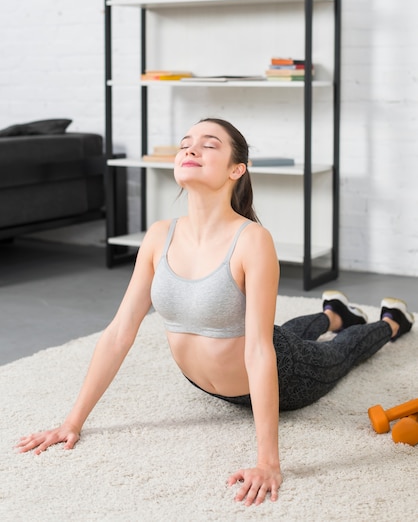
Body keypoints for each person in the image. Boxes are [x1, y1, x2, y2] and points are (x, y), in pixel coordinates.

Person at [17, 118, 415, 507]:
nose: (191, 148)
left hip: (286, 374)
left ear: (236, 169)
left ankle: (391, 321)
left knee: (335, 353)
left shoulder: (252, 240)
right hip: (206, 382)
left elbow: (261, 350)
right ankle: (334, 313)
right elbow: (120, 330)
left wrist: (268, 463)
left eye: (209, 144)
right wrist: (71, 422)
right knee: (282, 330)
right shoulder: (159, 235)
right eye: (186, 142)